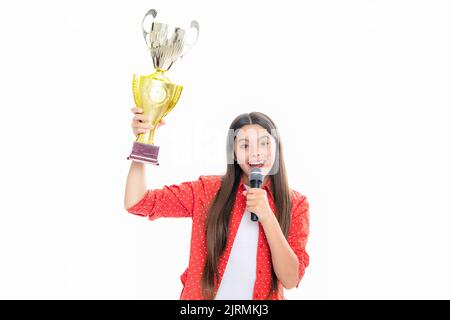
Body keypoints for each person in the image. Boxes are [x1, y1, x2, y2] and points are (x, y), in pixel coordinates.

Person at [124, 107, 310, 300]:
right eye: (245, 146)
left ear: (276, 148)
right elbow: (138, 201)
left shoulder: (295, 204)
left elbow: (290, 279)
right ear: (234, 154)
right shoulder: (207, 191)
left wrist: (268, 217)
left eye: (264, 144)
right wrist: (144, 140)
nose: (256, 153)